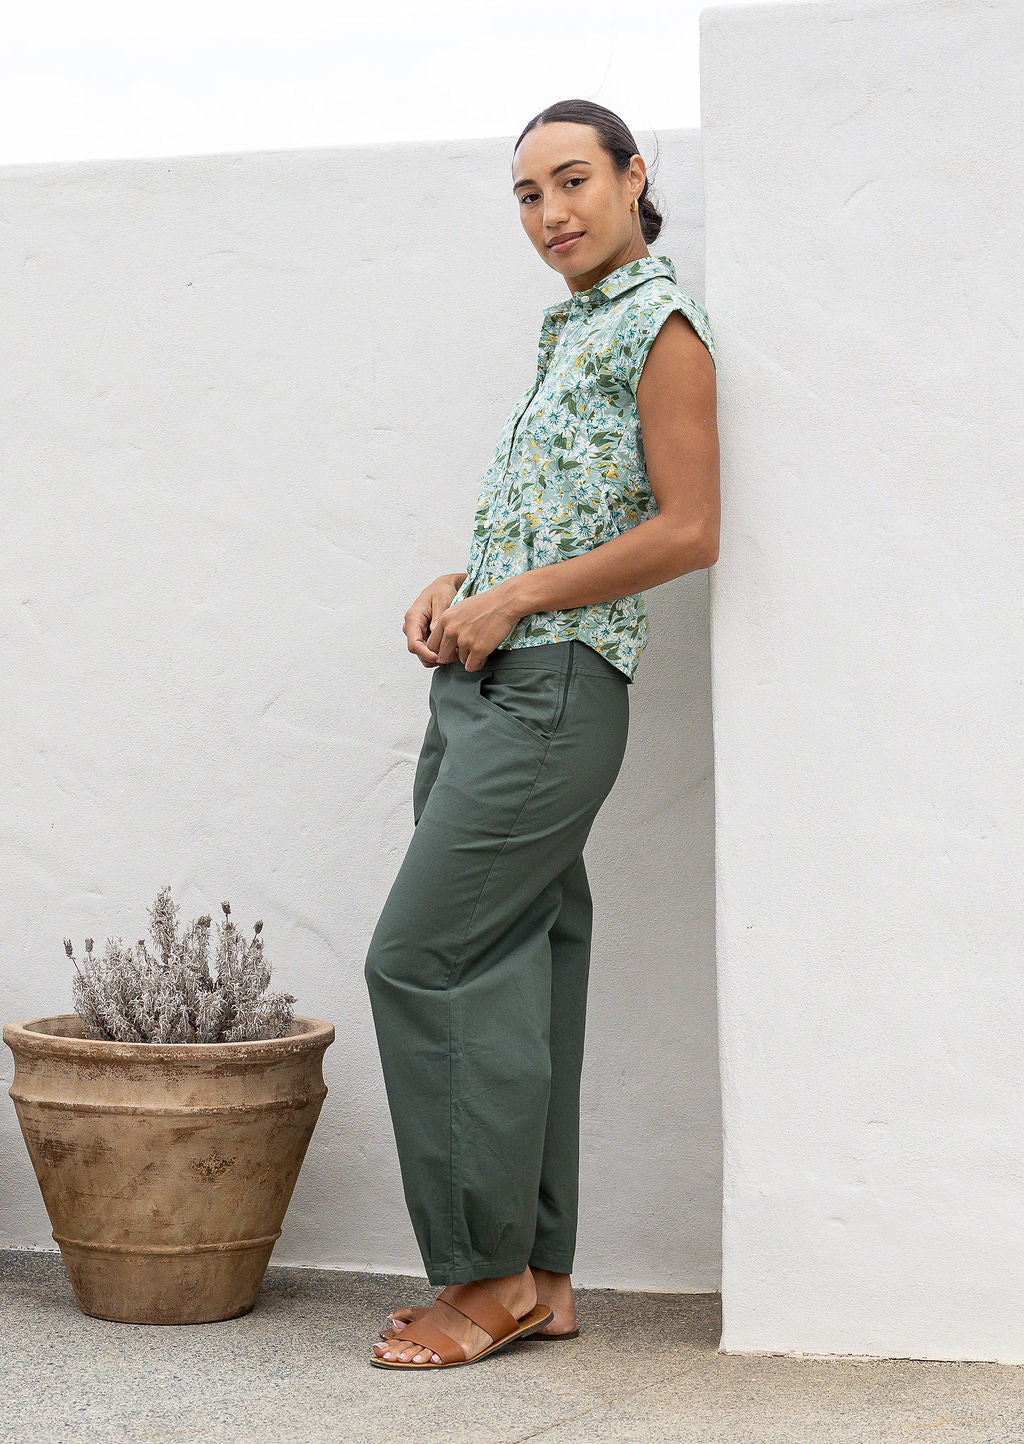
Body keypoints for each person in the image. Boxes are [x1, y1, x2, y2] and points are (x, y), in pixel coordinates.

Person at [364, 97, 720, 1371]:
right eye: (527, 194)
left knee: (419, 959)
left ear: (633, 177)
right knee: (520, 971)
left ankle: (482, 1278)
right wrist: (466, 577)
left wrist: (515, 598)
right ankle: (545, 1275)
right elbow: (565, 512)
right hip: (489, 675)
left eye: (573, 181)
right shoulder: (567, 331)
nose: (551, 212)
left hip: (555, 687)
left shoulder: (659, 329)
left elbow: (686, 529)